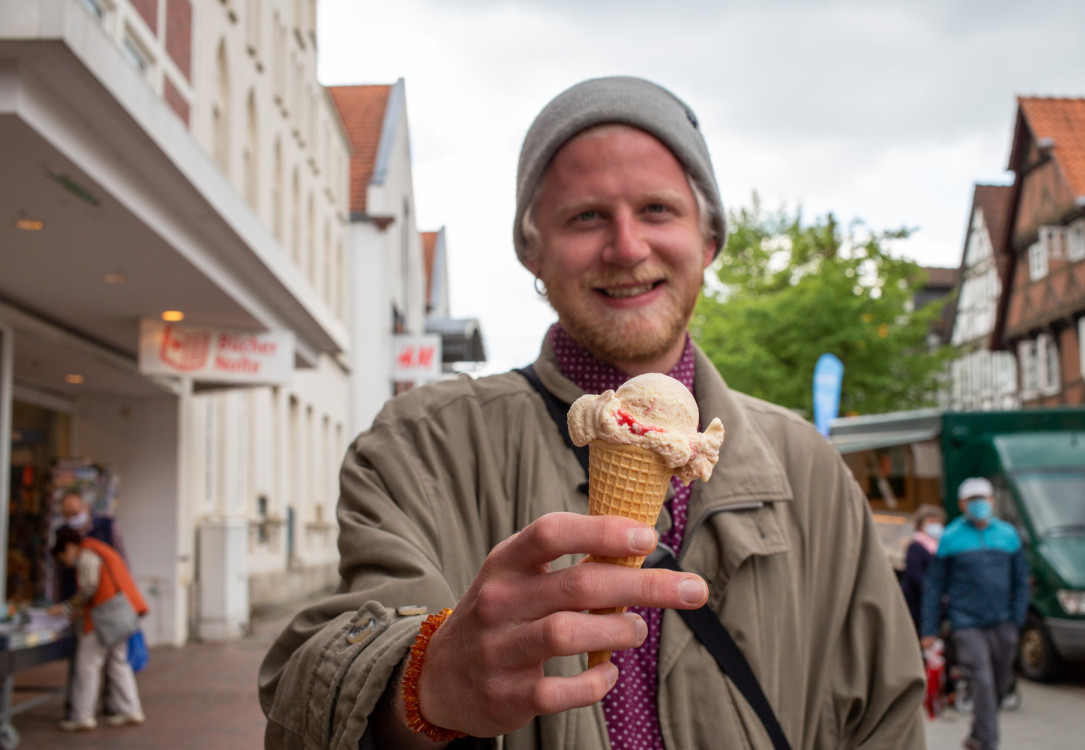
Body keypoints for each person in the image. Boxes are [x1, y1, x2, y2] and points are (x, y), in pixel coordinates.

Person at [259, 75, 925, 749]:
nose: (627, 247)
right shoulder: (418, 448)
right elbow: (303, 692)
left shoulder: (806, 465)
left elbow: (888, 716)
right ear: (532, 251)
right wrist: (423, 681)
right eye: (586, 217)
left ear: (710, 241)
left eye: (659, 210)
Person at [920, 478, 1029, 750]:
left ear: (992, 500)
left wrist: (1016, 621)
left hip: (1003, 623)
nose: (979, 504)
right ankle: (989, 744)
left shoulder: (1008, 535)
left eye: (984, 498)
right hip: (966, 624)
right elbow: (934, 587)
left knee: (999, 686)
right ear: (961, 504)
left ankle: (977, 735)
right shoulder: (950, 538)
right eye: (972, 499)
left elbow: (1021, 581)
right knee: (981, 681)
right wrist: (929, 630)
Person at [49, 528, 147, 732]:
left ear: (69, 548)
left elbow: (88, 588)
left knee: (87, 665)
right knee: (118, 662)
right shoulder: (101, 549)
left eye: (63, 557)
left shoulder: (87, 554)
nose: (67, 563)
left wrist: (67, 607)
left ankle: (82, 715)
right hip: (120, 614)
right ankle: (130, 709)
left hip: (101, 618)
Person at [900, 503, 947, 627]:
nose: (935, 526)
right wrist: (934, 591)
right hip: (917, 605)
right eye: (931, 522)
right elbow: (915, 575)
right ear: (921, 525)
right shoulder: (915, 547)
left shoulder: (942, 546)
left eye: (938, 522)